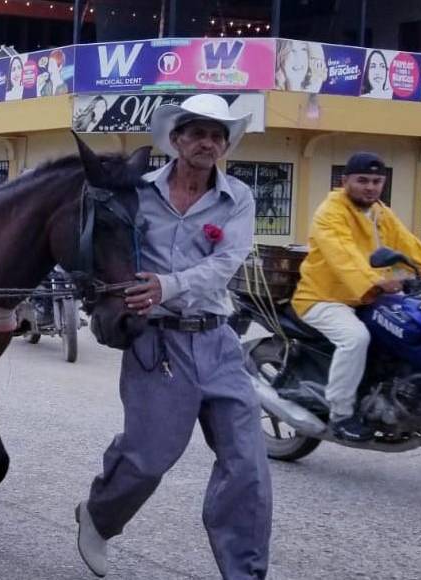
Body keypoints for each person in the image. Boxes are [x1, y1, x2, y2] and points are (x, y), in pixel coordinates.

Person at [75, 94, 271, 579]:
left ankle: (244, 573)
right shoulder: (139, 192)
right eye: (198, 133)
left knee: (247, 466)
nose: (208, 142)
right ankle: (98, 516)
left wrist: (169, 284)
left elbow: (227, 262)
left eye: (217, 135)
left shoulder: (238, 198)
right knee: (147, 459)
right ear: (176, 140)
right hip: (157, 342)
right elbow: (105, 244)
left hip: (218, 341)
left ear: (225, 145)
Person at [291, 153, 421, 441]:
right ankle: (341, 415)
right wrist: (376, 281)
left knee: (413, 324)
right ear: (345, 181)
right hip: (324, 297)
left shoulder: (379, 212)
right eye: (362, 180)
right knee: (355, 339)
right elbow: (343, 255)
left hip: (367, 297)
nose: (370, 187)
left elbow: (410, 247)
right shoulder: (331, 212)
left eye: (376, 181)